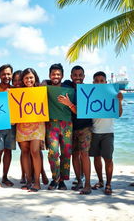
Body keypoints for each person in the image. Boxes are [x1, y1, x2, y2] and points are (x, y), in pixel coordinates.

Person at [59, 65, 93, 194]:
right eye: (75, 75)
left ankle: (88, 184)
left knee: (84, 154)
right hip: (71, 127)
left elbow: (80, 111)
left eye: (80, 75)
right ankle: (79, 181)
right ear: (71, 76)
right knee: (74, 155)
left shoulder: (88, 90)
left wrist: (70, 104)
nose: (77, 77)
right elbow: (53, 84)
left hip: (85, 126)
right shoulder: (67, 86)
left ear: (84, 77)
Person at [89, 71, 123, 195]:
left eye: (101, 81)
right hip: (94, 132)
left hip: (108, 132)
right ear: (93, 82)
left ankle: (108, 184)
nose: (99, 83)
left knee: (108, 159)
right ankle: (101, 181)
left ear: (106, 82)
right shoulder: (90, 94)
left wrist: (119, 101)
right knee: (96, 158)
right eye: (96, 81)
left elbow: (118, 114)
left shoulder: (112, 95)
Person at [42, 63, 73, 190]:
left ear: (62, 75)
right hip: (51, 124)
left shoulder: (68, 88)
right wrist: (44, 83)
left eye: (58, 74)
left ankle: (62, 181)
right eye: (53, 74)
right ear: (50, 75)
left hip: (67, 124)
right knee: (53, 153)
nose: (56, 76)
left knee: (66, 153)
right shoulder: (45, 87)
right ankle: (55, 178)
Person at [16, 68, 45, 192]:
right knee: (25, 152)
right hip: (21, 125)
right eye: (26, 78)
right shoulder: (17, 92)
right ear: (22, 79)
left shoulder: (41, 91)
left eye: (31, 77)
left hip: (38, 125)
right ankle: (29, 181)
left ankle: (37, 182)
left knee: (34, 151)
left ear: (35, 78)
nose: (29, 80)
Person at [0, 64, 15, 188]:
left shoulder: (15, 89)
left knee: (8, 151)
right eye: (3, 74)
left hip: (12, 124)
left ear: (11, 75)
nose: (6, 76)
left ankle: (5, 177)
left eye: (8, 74)